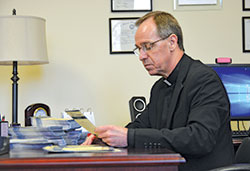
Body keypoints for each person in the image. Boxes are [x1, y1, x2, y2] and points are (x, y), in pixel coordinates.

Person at [83, 11, 234, 171]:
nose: (141, 56)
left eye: (148, 47)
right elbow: (141, 126)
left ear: (172, 42)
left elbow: (199, 139)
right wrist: (106, 138)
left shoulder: (204, 79)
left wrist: (128, 137)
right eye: (139, 49)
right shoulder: (160, 87)